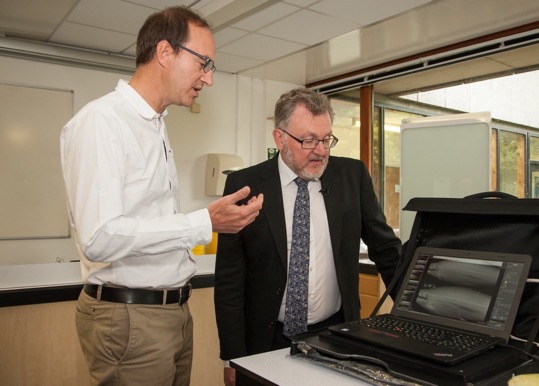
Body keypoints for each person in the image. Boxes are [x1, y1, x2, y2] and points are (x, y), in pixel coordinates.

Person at [60, 6, 263, 386]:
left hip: (171, 313)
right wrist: (205, 222)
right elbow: (99, 237)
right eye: (204, 63)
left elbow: (144, 221)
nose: (209, 78)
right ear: (165, 53)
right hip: (131, 319)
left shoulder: (155, 126)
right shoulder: (102, 122)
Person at [214, 88, 401, 385]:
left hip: (337, 336)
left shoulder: (351, 176)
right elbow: (229, 281)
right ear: (279, 138)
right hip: (266, 339)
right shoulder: (244, 185)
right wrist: (232, 357)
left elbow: (386, 249)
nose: (321, 150)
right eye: (309, 140)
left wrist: (417, 309)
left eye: (326, 139)